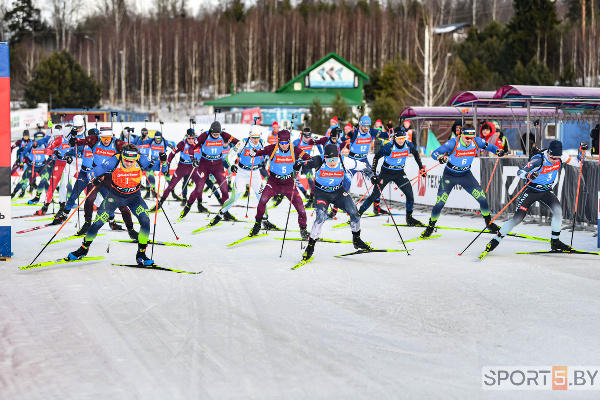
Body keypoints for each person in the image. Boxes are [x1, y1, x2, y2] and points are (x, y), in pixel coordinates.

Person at [484, 140, 587, 254]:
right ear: (548, 152)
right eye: (552, 157)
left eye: (557, 158)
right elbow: (520, 172)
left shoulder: (561, 157)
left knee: (558, 212)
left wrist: (582, 152)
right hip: (531, 191)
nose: (554, 160)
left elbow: (578, 163)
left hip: (546, 191)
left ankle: (555, 241)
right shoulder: (538, 159)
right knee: (517, 219)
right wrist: (529, 174)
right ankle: (495, 240)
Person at [66, 144, 158, 266]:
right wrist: (94, 179)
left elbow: (161, 166)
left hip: (134, 197)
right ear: (122, 156)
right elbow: (93, 172)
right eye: (126, 160)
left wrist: (163, 160)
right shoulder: (114, 160)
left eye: (132, 160)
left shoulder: (142, 159)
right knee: (98, 222)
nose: (129, 163)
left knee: (145, 221)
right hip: (114, 197)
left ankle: (141, 254)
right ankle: (83, 249)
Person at [53, 126, 138, 240]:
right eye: (103, 138)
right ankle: (87, 224)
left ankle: (131, 230)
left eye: (108, 138)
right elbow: (74, 144)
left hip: (110, 176)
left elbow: (132, 151)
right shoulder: (93, 141)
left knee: (121, 204)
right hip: (96, 174)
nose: (106, 141)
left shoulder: (117, 143)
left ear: (112, 136)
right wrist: (73, 136)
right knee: (89, 199)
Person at [421, 124, 505, 238]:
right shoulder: (453, 143)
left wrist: (498, 150)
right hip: (449, 176)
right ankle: (430, 227)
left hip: (466, 176)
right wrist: (440, 158)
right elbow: (435, 153)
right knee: (440, 203)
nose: (469, 140)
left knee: (482, 199)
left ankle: (489, 224)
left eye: (471, 137)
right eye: (467, 138)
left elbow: (490, 147)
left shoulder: (477, 141)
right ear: (462, 134)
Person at [294, 144, 373, 260]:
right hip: (321, 193)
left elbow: (362, 166)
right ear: (324, 158)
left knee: (354, 213)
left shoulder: (343, 160)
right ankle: (310, 247)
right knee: (321, 217)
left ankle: (357, 240)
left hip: (338, 192)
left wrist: (372, 176)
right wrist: (297, 165)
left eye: (334, 159)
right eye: (329, 160)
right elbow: (303, 164)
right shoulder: (318, 160)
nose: (332, 162)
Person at [208, 125, 278, 229]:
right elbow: (229, 156)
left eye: (257, 137)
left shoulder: (263, 143)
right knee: (234, 197)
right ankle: (220, 215)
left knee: (263, 197)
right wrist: (232, 166)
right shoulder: (243, 143)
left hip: (255, 173)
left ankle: (265, 220)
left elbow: (275, 152)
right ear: (249, 136)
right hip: (242, 173)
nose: (256, 140)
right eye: (253, 137)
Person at [247, 129, 311, 238]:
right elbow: (259, 151)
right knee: (262, 200)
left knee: (301, 208)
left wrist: (301, 164)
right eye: (281, 143)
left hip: (289, 183)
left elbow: (308, 158)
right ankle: (257, 225)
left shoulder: (294, 149)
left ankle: (303, 230)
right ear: (278, 142)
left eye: (286, 143)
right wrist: (253, 153)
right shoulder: (272, 148)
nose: (284, 146)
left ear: (289, 142)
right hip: (274, 182)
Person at [359, 126, 427, 225]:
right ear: (394, 137)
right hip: (386, 173)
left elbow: (416, 154)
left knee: (410, 194)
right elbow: (376, 157)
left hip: (399, 173)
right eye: (399, 138)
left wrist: (421, 168)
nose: (401, 141)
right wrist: (374, 174)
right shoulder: (388, 147)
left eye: (403, 138)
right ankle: (357, 214)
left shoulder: (409, 145)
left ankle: (409, 218)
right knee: (375, 195)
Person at [180, 121, 239, 218]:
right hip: (205, 164)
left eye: (218, 134)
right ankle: (187, 207)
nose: (216, 136)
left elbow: (238, 142)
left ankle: (225, 212)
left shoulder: (224, 135)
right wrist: (193, 159)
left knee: (224, 189)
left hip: (218, 165)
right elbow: (192, 148)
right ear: (210, 131)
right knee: (199, 189)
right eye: (214, 134)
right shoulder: (204, 135)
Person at [346, 115, 389, 214]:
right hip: (352, 161)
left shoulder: (371, 132)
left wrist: (390, 130)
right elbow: (348, 135)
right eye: (364, 126)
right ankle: (336, 210)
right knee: (346, 183)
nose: (366, 128)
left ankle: (377, 206)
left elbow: (385, 135)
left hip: (363, 161)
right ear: (360, 125)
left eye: (368, 126)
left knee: (376, 180)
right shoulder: (355, 132)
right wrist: (352, 131)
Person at [153, 128, 196, 210]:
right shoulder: (182, 144)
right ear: (186, 137)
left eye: (192, 138)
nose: (191, 140)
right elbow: (171, 154)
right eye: (189, 138)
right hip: (182, 167)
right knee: (171, 185)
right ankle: (160, 202)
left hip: (191, 167)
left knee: (186, 183)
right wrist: (167, 166)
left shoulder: (197, 143)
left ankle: (185, 200)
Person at [292, 127, 323, 208]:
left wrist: (322, 155)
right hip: (297, 164)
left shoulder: (312, 140)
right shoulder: (297, 142)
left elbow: (319, 146)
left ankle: (312, 200)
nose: (308, 139)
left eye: (309, 137)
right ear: (302, 135)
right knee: (293, 180)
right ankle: (305, 193)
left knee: (311, 180)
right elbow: (290, 150)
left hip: (307, 163)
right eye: (306, 137)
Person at [10, 130, 31, 198]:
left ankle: (25, 189)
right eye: (24, 136)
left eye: (27, 136)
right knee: (18, 174)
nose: (26, 137)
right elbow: (12, 147)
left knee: (26, 176)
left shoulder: (31, 141)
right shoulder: (19, 141)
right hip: (20, 160)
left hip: (28, 161)